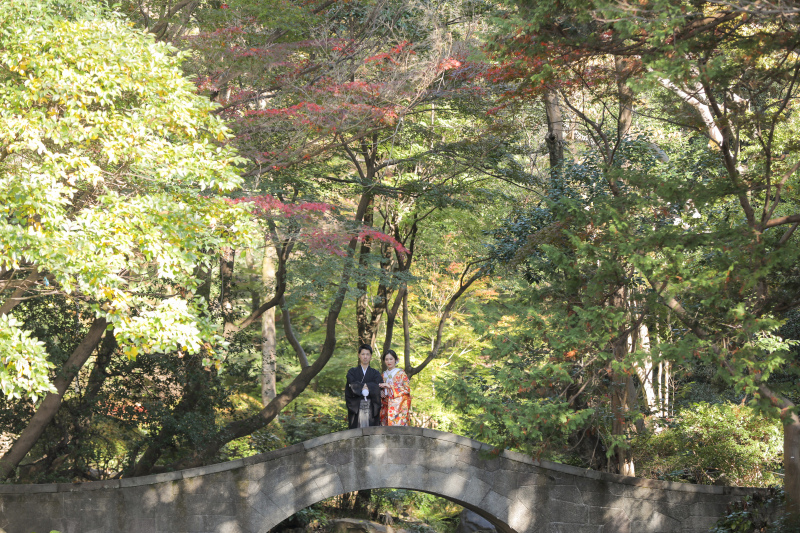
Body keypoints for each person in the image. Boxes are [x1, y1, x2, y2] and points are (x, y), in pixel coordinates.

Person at [344, 344, 383, 428]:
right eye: (363, 354)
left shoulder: (375, 373)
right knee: (356, 432)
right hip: (356, 407)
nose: (365, 357)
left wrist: (361, 386)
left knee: (371, 432)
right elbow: (351, 386)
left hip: (371, 407)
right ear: (359, 355)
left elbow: (378, 386)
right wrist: (368, 386)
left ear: (371, 356)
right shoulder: (352, 372)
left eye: (367, 354)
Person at [379, 349, 411, 426]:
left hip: (399, 406)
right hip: (386, 406)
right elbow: (381, 389)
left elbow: (407, 389)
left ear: (395, 359)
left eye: (391, 359)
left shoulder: (401, 373)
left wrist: (390, 387)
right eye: (386, 359)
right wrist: (381, 392)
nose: (389, 361)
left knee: (398, 430)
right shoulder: (383, 374)